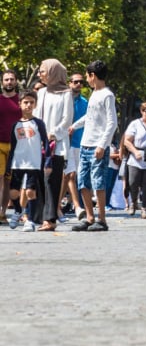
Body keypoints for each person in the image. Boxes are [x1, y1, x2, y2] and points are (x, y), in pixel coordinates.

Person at [70, 60, 118, 232]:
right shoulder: (93, 95)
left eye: (87, 76)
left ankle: (102, 219)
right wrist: (74, 126)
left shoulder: (107, 95)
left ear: (93, 76)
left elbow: (112, 123)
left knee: (98, 183)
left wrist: (102, 145)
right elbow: (89, 118)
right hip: (84, 145)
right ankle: (90, 218)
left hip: (97, 146)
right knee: (83, 182)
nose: (85, 79)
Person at [36, 59, 73, 231]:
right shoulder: (41, 92)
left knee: (52, 181)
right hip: (39, 144)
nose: (39, 74)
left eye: (43, 71)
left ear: (53, 72)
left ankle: (50, 219)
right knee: (39, 180)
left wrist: (54, 133)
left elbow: (67, 119)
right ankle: (40, 216)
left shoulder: (66, 93)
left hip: (56, 145)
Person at [8, 90, 48, 231]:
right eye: (25, 102)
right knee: (13, 192)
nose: (28, 105)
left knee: (31, 192)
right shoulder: (15, 125)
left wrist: (47, 161)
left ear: (35, 104)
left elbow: (46, 142)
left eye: (31, 102)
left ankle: (29, 219)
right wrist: (8, 165)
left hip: (33, 163)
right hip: (18, 163)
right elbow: (12, 147)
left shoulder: (38, 123)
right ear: (19, 104)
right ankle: (18, 211)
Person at [63, 73, 88, 220]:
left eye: (81, 82)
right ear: (69, 83)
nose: (78, 84)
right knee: (69, 174)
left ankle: (65, 204)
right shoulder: (64, 100)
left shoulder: (85, 102)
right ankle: (77, 206)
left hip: (79, 141)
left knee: (73, 176)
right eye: (76, 82)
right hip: (65, 142)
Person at [0, 70, 21, 225]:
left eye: (11, 79)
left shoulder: (22, 101)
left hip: (16, 146)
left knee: (8, 181)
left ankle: (3, 213)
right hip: (0, 144)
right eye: (6, 79)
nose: (9, 82)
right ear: (2, 82)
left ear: (16, 81)